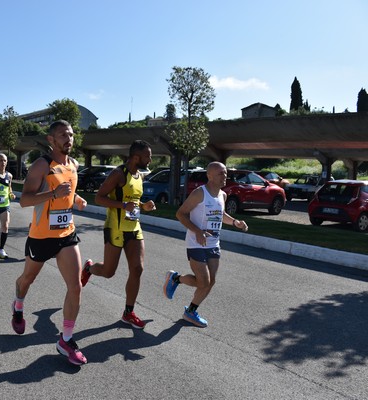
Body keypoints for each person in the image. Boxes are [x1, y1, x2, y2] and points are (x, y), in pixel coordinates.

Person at [12, 120, 89, 366]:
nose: (69, 138)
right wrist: (53, 194)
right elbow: (24, 200)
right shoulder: (42, 165)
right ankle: (18, 304)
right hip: (41, 236)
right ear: (51, 140)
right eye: (63, 135)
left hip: (66, 234)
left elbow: (67, 190)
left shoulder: (74, 165)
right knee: (27, 280)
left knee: (75, 286)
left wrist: (76, 199)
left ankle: (66, 339)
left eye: (71, 134)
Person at [80, 140, 156, 329]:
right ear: (136, 157)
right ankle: (89, 268)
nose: (150, 160)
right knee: (108, 272)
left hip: (134, 228)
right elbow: (98, 198)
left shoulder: (140, 176)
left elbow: (134, 203)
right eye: (148, 156)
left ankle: (128, 312)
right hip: (115, 228)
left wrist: (144, 206)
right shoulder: (118, 174)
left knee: (137, 269)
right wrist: (122, 205)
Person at [164, 161, 249, 328]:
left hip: (213, 244)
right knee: (203, 282)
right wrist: (197, 231)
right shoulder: (199, 193)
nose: (224, 176)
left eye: (225, 173)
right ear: (209, 176)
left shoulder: (222, 195)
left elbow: (221, 214)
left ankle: (191, 311)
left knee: (210, 282)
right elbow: (180, 214)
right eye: (220, 173)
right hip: (196, 243)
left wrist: (235, 222)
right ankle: (176, 278)